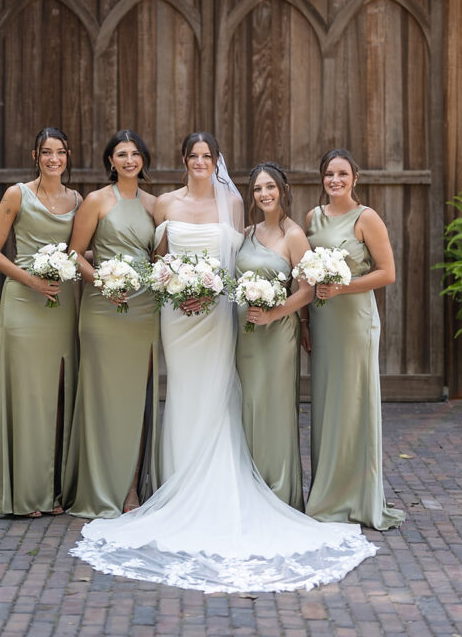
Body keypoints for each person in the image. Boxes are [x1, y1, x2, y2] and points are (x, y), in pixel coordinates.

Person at [70, 133, 377, 593]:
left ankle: (220, 481)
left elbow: (240, 264)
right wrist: (173, 284)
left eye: (206, 156)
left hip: (217, 315)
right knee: (183, 393)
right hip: (176, 316)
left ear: (216, 162)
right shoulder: (163, 205)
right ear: (182, 161)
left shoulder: (234, 206)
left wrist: (236, 298)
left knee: (217, 392)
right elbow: (156, 259)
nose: (199, 162)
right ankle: (173, 481)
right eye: (192, 156)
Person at [304, 148, 405, 531]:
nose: (335, 180)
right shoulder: (312, 217)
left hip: (356, 321)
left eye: (342, 174)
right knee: (326, 404)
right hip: (323, 320)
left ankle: (356, 498)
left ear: (355, 178)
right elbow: (304, 274)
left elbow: (387, 273)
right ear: (322, 178)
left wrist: (343, 287)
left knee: (355, 403)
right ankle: (326, 493)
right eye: (329, 174)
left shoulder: (367, 218)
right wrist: (304, 322)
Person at [0, 127, 81, 518]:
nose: (53, 159)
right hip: (24, 302)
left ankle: (54, 491)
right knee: (27, 396)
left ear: (68, 155)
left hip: (62, 304)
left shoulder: (78, 199)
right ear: (35, 155)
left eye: (60, 152)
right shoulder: (16, 194)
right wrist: (32, 280)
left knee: (59, 393)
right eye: (46, 152)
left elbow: (81, 248)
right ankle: (24, 495)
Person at [65, 130, 157, 518]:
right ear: (110, 161)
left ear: (143, 160)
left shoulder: (155, 204)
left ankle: (131, 488)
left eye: (135, 154)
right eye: (122, 154)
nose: (129, 160)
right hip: (103, 309)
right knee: (104, 398)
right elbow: (74, 254)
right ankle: (99, 485)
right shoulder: (96, 201)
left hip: (143, 310)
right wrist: (102, 281)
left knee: (136, 399)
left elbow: (159, 258)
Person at [235, 162, 313, 511]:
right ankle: (250, 484)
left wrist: (273, 314)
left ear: (282, 190)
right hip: (247, 334)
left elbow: (308, 290)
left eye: (270, 187)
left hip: (279, 332)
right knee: (249, 404)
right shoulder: (248, 233)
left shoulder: (293, 234)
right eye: (257, 189)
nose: (264, 194)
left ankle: (280, 492)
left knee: (277, 407)